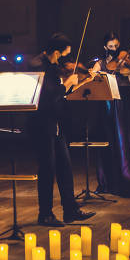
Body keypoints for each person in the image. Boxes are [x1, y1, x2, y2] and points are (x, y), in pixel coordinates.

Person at [28, 33, 96, 226]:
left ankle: (70, 210)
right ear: (56, 52)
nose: (64, 60)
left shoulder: (51, 66)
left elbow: (60, 95)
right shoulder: (38, 66)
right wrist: (66, 83)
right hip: (42, 124)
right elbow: (47, 97)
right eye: (63, 55)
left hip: (56, 122)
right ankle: (45, 214)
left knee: (65, 167)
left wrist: (81, 82)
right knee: (47, 169)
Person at [91, 32, 130, 197]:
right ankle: (109, 182)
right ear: (106, 47)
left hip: (126, 105)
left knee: (128, 143)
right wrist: (94, 75)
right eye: (111, 47)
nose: (115, 50)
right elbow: (92, 82)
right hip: (108, 105)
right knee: (110, 142)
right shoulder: (100, 63)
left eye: (117, 46)